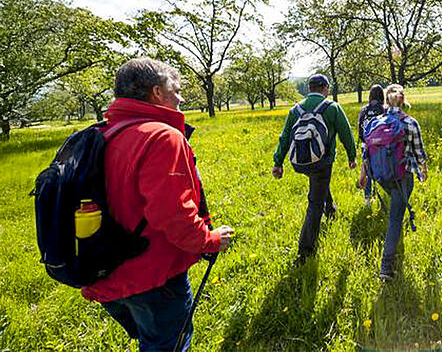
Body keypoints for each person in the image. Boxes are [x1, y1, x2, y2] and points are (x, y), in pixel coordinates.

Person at [81, 58, 234, 351]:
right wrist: (210, 240)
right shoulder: (162, 136)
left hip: (105, 274)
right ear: (157, 93)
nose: (181, 97)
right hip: (152, 277)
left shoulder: (105, 132)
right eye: (175, 89)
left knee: (151, 340)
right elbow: (173, 215)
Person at [271, 74, 358, 263]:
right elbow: (346, 133)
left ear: (309, 88)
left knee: (319, 185)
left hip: (300, 162)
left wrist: (278, 163)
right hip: (322, 162)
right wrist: (352, 157)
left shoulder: (295, 110)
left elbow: (284, 137)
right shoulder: (332, 108)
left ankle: (331, 209)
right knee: (314, 203)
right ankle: (305, 251)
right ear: (325, 88)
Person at [359, 84, 428, 281]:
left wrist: (364, 176)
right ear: (403, 100)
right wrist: (423, 170)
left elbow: (366, 151)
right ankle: (386, 267)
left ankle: (395, 249)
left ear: (386, 101)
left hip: (381, 176)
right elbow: (419, 153)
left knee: (396, 208)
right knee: (395, 219)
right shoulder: (411, 123)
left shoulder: (373, 122)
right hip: (403, 176)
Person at [357, 84, 386, 207]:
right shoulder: (385, 109)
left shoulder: (364, 110)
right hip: (382, 145)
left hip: (367, 145)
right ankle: (386, 193)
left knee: (367, 170)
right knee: (384, 169)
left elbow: (360, 129)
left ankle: (367, 199)